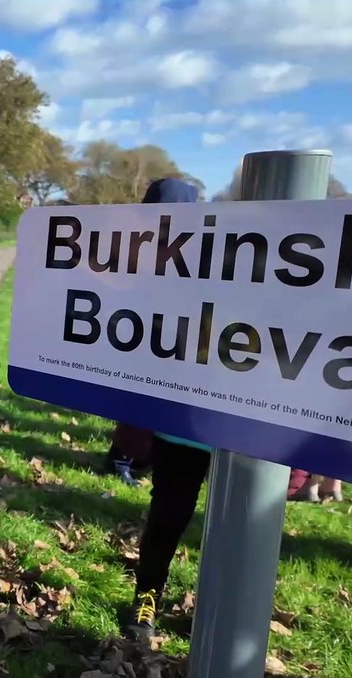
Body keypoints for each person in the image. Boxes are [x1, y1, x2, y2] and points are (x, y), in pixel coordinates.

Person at [105, 178, 200, 486]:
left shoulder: (191, 246)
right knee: (140, 400)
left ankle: (137, 457)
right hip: (142, 333)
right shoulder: (140, 242)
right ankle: (123, 457)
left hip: (172, 336)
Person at [127, 431, 213, 641]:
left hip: (250, 439)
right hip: (185, 431)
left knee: (240, 533)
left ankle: (221, 613)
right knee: (167, 519)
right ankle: (146, 597)